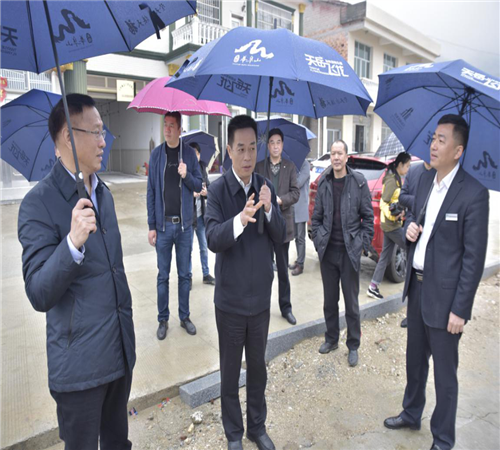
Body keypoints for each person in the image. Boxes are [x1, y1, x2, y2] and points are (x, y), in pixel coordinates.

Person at [18, 94, 136, 449]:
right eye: (96, 132)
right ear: (69, 136)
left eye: (104, 132)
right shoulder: (38, 204)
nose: (103, 141)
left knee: (117, 443)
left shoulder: (104, 194)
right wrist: (71, 243)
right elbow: (39, 292)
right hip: (79, 368)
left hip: (118, 350)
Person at [384, 114, 489, 450]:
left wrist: (461, 310)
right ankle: (411, 413)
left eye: (442, 140)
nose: (433, 145)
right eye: (433, 138)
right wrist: (410, 229)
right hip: (417, 288)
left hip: (446, 302)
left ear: (458, 151)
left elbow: (473, 259)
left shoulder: (473, 194)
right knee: (414, 361)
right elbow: (415, 219)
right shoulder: (426, 180)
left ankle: (443, 439)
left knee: (445, 375)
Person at [205, 115, 286, 450]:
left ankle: (257, 426)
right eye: (241, 148)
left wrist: (268, 209)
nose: (248, 156)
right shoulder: (218, 189)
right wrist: (239, 220)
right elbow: (212, 237)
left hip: (260, 299)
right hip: (230, 303)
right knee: (229, 374)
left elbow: (280, 235)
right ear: (229, 150)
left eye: (253, 147)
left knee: (257, 370)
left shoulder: (265, 186)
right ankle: (233, 434)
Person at [311, 140, 374, 367]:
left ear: (347, 157)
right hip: (328, 252)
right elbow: (316, 218)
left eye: (340, 153)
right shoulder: (324, 181)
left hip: (349, 252)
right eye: (333, 153)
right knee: (330, 300)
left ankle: (353, 345)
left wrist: (361, 245)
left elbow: (368, 218)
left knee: (351, 302)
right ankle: (331, 339)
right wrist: (318, 241)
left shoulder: (358, 182)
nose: (336, 157)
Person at [147, 112, 202, 340]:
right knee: (163, 276)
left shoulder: (188, 154)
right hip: (162, 227)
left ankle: (184, 316)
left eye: (172, 126)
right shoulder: (156, 155)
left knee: (185, 275)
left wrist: (186, 175)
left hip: (184, 227)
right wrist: (151, 225)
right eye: (165, 125)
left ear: (180, 130)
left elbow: (199, 185)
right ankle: (163, 319)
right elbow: (151, 191)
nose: (167, 129)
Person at [255, 128, 299, 325]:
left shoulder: (290, 167)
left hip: (282, 226)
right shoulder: (260, 167)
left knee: (282, 270)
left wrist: (280, 200)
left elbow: (295, 193)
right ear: (268, 145)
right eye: (271, 142)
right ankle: (261, 306)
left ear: (282, 145)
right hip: (263, 226)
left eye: (278, 142)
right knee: (263, 270)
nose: (274, 146)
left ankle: (285, 307)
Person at [367, 151, 412, 300]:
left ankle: (373, 287)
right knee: (411, 248)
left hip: (391, 224)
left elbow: (395, 202)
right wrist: (394, 215)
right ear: (400, 165)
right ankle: (413, 286)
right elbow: (384, 203)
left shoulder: (396, 178)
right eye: (407, 166)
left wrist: (401, 211)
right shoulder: (392, 180)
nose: (408, 169)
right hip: (391, 226)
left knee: (385, 258)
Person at [398, 160, 436, 328]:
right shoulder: (413, 171)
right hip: (413, 229)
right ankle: (411, 314)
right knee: (411, 276)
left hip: (430, 234)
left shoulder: (440, 174)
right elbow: (402, 197)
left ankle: (427, 314)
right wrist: (420, 201)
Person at [189, 142, 215, 286]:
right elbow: (179, 192)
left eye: (197, 153)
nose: (195, 156)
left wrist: (206, 193)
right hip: (189, 217)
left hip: (201, 216)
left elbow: (209, 188)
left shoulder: (202, 169)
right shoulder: (184, 170)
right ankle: (188, 277)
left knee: (204, 247)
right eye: (192, 154)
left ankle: (206, 274)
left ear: (199, 155)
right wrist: (190, 194)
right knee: (188, 249)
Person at [288, 159, 310, 276]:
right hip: (293, 207)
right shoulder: (293, 164)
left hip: (301, 207)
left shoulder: (305, 165)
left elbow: (298, 183)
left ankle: (300, 265)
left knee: (301, 238)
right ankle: (298, 260)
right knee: (296, 236)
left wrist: (290, 178)